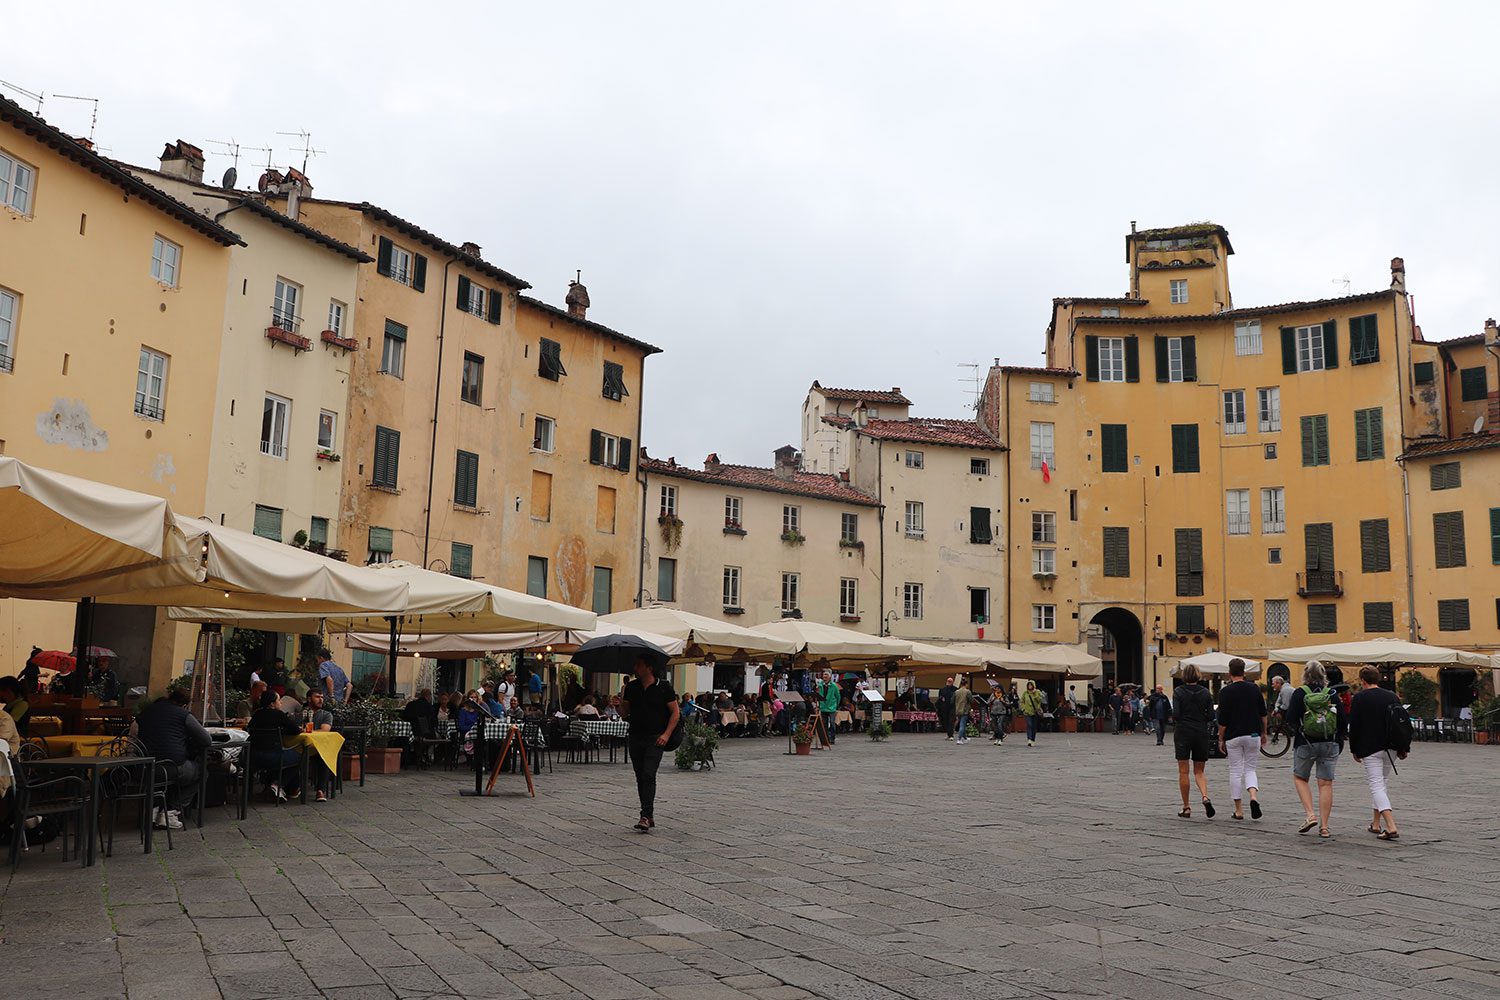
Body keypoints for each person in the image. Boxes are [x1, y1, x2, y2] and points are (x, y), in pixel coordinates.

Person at [618, 655, 679, 833]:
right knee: (640, 776)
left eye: (639, 664)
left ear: (649, 668)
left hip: (656, 737)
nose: (635, 667)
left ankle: (645, 815)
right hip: (636, 735)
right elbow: (624, 714)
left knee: (648, 774)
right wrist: (617, 706)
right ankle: (648, 815)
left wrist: (666, 735)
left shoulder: (664, 687)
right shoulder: (632, 687)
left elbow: (675, 713)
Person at [136, 688, 212, 829]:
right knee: (201, 772)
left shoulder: (146, 711)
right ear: (184, 704)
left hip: (142, 768)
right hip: (170, 767)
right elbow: (206, 740)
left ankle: (153, 810)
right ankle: (170, 812)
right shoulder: (183, 715)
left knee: (162, 776)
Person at [1287, 660, 1347, 838]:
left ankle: (1310, 815)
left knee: (1300, 778)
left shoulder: (1299, 693)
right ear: (1323, 676)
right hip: (1329, 743)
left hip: (1305, 742)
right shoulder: (1332, 694)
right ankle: (1325, 827)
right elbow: (1343, 721)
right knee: (1326, 783)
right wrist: (1339, 740)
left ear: (1305, 675)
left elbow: (1290, 718)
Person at [1349, 665, 1405, 840]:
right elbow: (1400, 722)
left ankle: (1390, 825)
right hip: (1392, 747)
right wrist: (1403, 747)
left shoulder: (1359, 698)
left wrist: (1354, 749)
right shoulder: (1392, 696)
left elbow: (1354, 726)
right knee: (1382, 783)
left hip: (1370, 747)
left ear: (1363, 680)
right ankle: (1375, 824)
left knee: (1376, 785)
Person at [1217, 658, 1267, 821]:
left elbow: (1222, 720)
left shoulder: (1225, 692)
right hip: (1253, 734)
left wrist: (1220, 738)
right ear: (1244, 672)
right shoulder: (1254, 689)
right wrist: (1264, 732)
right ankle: (1253, 797)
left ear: (1230, 673)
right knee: (1251, 769)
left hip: (1234, 735)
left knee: (1236, 770)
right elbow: (1263, 714)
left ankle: (1239, 810)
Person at [1172, 663, 1215, 819]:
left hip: (1183, 732)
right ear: (1198, 675)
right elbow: (1211, 715)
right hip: (1200, 732)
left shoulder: (1178, 691)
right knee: (1200, 771)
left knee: (1184, 771)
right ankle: (1205, 796)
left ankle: (1186, 807)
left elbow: (1175, 714)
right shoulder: (1205, 692)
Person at [248, 690, 303, 802]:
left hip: (253, 757)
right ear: (272, 703)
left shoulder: (256, 714)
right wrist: (282, 730)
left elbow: (249, 728)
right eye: (278, 700)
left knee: (286, 756)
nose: (281, 703)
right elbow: (296, 730)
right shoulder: (278, 714)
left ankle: (273, 786)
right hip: (273, 756)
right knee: (302, 756)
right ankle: (278, 784)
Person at [817, 669, 840, 746]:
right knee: (824, 724)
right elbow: (818, 695)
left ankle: (832, 738)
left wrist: (836, 705)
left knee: (832, 723)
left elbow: (838, 696)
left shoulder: (834, 686)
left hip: (832, 707)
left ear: (829, 677)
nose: (824, 677)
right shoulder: (820, 685)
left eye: (826, 676)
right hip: (823, 707)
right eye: (824, 676)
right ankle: (826, 739)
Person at [1019, 681, 1043, 747]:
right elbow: (1022, 701)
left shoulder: (1037, 692)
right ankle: (1029, 739)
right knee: (1029, 725)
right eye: (1028, 685)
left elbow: (1040, 700)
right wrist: (1023, 708)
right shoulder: (1025, 693)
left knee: (1034, 727)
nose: (1029, 686)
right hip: (1027, 712)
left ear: (1033, 685)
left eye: (1031, 685)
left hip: (1035, 712)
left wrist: (1035, 694)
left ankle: (1033, 739)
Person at [952, 677, 973, 745]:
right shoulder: (968, 691)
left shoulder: (956, 692)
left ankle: (965, 738)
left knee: (961, 722)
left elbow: (952, 700)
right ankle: (959, 738)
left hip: (957, 709)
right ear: (966, 684)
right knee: (962, 725)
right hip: (965, 710)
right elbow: (971, 700)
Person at [938, 676, 957, 741]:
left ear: (952, 682)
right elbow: (939, 698)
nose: (949, 682)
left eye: (950, 681)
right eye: (948, 681)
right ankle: (948, 734)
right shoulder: (942, 690)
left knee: (951, 721)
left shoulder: (955, 689)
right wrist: (941, 698)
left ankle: (951, 735)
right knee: (945, 721)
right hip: (944, 708)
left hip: (952, 707)